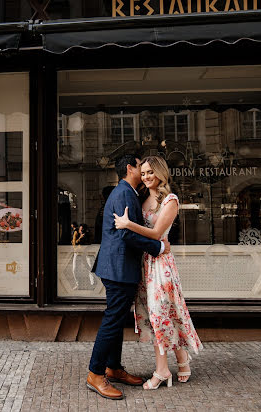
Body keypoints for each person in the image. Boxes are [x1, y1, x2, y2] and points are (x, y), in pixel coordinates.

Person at [114, 155, 203, 390]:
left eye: (150, 172)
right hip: (145, 263)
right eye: (143, 173)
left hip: (161, 264)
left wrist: (127, 224)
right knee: (160, 314)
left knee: (159, 314)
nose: (146, 177)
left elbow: (155, 234)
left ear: (161, 172)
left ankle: (162, 371)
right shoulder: (141, 197)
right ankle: (182, 360)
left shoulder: (170, 200)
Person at [86, 154, 170, 400]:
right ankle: (95, 373)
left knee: (117, 318)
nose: (144, 173)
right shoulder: (124, 193)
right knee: (112, 320)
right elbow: (126, 234)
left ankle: (113, 367)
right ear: (130, 168)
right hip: (118, 269)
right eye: (140, 168)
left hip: (118, 267)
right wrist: (158, 248)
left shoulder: (128, 192)